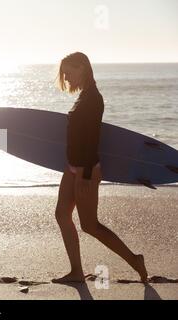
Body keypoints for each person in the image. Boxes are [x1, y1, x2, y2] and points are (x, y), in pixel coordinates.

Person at [52, 52, 148, 283]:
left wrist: (84, 175)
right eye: (63, 73)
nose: (65, 78)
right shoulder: (84, 96)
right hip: (73, 166)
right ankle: (76, 271)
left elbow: (91, 140)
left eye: (68, 72)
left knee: (90, 225)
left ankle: (135, 260)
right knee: (62, 214)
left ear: (83, 68)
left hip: (86, 169)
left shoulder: (93, 98)